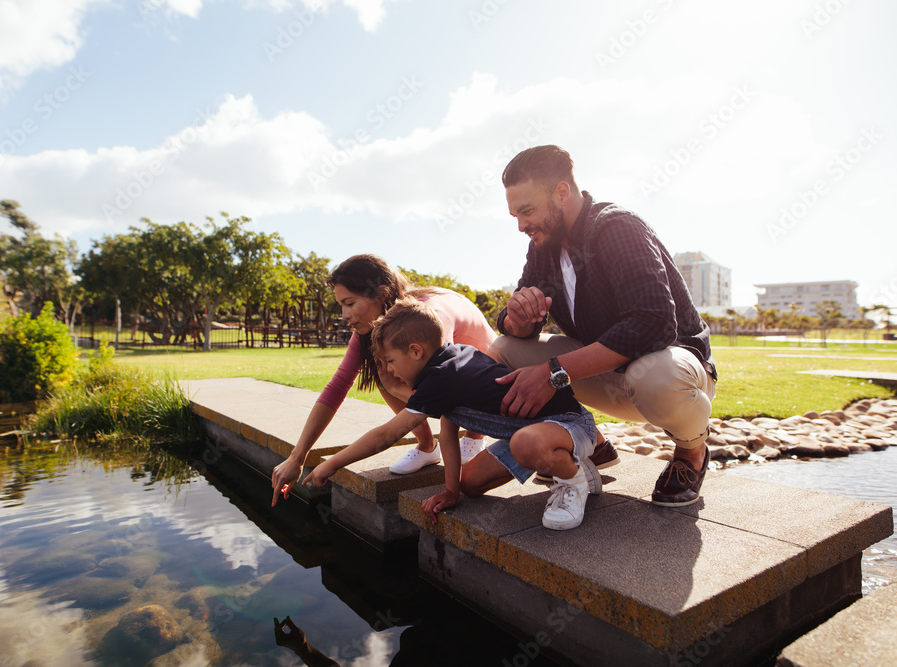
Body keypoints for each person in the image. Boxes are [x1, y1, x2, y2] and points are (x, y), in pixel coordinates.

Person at [489, 145, 718, 507]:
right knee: (502, 350)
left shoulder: (616, 226)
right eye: (515, 215)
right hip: (605, 373)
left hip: (671, 374)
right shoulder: (542, 246)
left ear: (561, 193)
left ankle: (693, 451)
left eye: (527, 211)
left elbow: (653, 324)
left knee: (654, 374)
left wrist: (553, 374)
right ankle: (589, 444)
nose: (521, 225)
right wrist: (515, 319)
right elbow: (520, 322)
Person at [303, 299, 601, 531]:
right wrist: (450, 490)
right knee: (470, 484)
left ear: (416, 351)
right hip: (534, 433)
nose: (389, 370)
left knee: (526, 443)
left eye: (391, 360)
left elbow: (386, 435)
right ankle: (575, 465)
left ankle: (572, 482)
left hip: (570, 425)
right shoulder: (448, 363)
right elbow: (447, 432)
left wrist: (332, 464)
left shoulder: (442, 376)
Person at [271, 254, 496, 506]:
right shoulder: (374, 328)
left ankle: (475, 437)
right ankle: (426, 446)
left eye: (350, 303)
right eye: (341, 306)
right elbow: (337, 386)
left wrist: (450, 489)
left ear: (381, 293)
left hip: (486, 373)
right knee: (382, 368)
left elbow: (448, 389)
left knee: (408, 381)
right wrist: (297, 456)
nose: (344, 315)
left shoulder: (426, 321)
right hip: (449, 385)